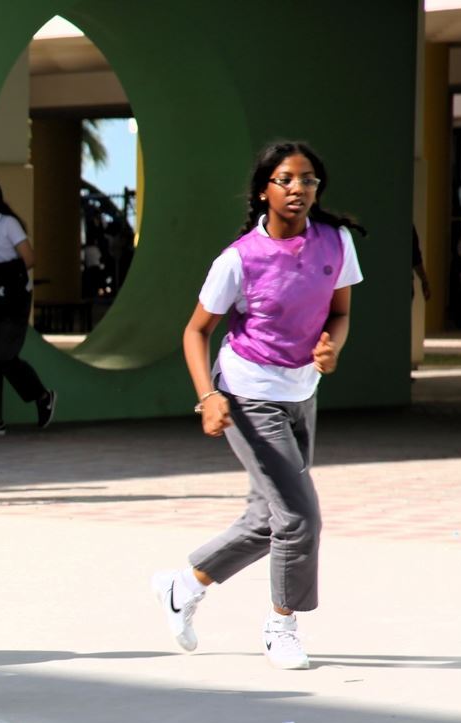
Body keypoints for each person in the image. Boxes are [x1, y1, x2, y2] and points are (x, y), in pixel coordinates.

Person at [152, 140, 363, 670]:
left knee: (269, 518)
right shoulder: (238, 259)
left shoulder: (336, 243)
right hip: (248, 392)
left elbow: (338, 314)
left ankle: (183, 585)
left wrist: (331, 348)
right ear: (265, 189)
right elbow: (196, 331)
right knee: (300, 516)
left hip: (300, 391)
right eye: (286, 179)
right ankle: (281, 626)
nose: (299, 189)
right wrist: (208, 397)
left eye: (309, 180)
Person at [0, 177, 55, 435]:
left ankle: (41, 396)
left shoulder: (9, 224)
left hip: (13, 299)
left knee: (4, 355)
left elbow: (29, 258)